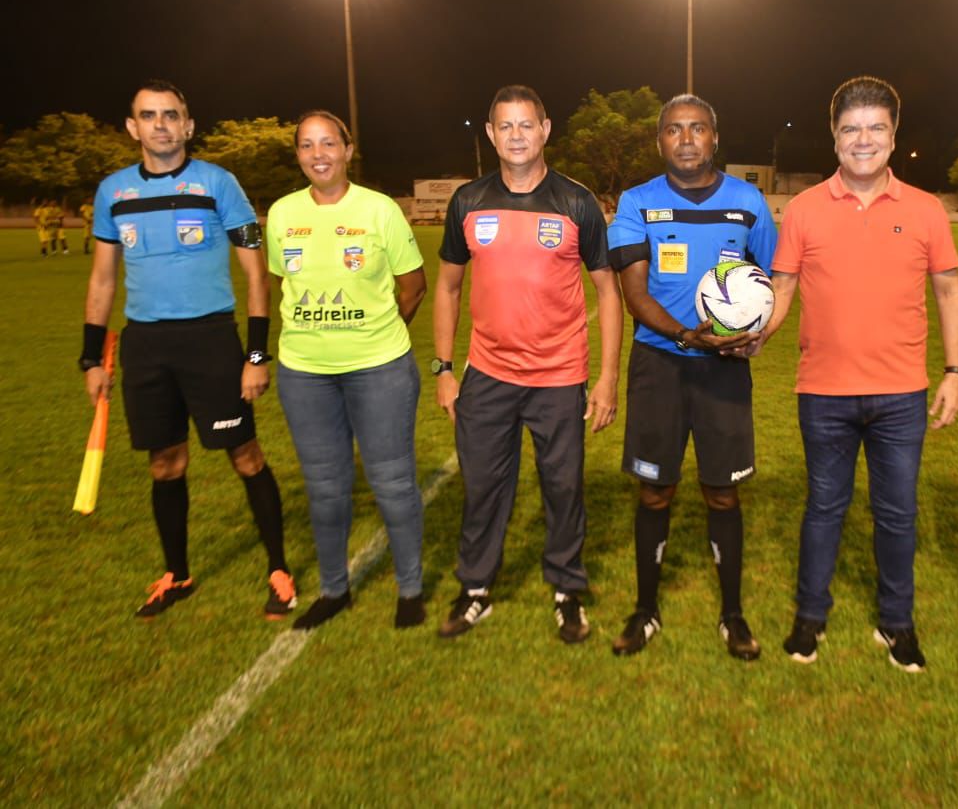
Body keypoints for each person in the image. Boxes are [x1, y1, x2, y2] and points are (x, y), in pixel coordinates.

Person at [759, 76, 958, 669]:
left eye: (876, 128)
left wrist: (954, 372)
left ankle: (896, 624)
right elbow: (783, 286)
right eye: (851, 129)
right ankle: (810, 617)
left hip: (902, 394)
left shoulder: (926, 210)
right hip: (823, 391)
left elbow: (951, 291)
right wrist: (758, 338)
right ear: (834, 137)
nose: (863, 140)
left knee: (898, 513)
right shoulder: (802, 209)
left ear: (894, 137)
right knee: (824, 507)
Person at [81, 79, 294, 620]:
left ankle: (279, 568)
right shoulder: (112, 194)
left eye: (170, 115)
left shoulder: (219, 184)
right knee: (165, 464)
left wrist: (254, 356)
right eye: (148, 116)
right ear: (132, 128)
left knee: (246, 455)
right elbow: (103, 280)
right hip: (146, 346)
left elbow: (256, 273)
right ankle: (177, 574)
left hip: (211, 342)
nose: (160, 124)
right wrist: (90, 358)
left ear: (188, 125)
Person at [433, 84, 622, 644]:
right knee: (484, 487)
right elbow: (447, 288)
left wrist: (607, 379)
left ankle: (567, 589)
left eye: (526, 125)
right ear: (491, 134)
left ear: (545, 130)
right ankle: (475, 589)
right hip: (487, 375)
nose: (516, 135)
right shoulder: (468, 200)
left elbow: (608, 294)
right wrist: (444, 368)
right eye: (505, 126)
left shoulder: (577, 202)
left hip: (559, 376)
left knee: (563, 488)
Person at [606, 94, 777, 660]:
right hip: (659, 365)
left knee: (722, 493)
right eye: (674, 130)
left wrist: (751, 334)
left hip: (723, 370)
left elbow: (768, 283)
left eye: (697, 128)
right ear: (660, 142)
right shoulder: (636, 202)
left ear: (714, 138)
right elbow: (634, 293)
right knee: (655, 489)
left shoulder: (749, 202)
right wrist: (686, 335)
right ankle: (645, 610)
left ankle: (733, 615)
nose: (685, 139)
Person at [266, 110, 428, 631]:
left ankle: (411, 590)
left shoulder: (379, 210)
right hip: (304, 373)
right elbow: (281, 287)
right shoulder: (281, 214)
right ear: (298, 154)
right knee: (326, 487)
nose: (319, 154)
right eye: (308, 145)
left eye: (329, 143)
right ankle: (334, 590)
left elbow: (414, 284)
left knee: (394, 482)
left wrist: (376, 333)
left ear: (348, 149)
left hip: (379, 369)